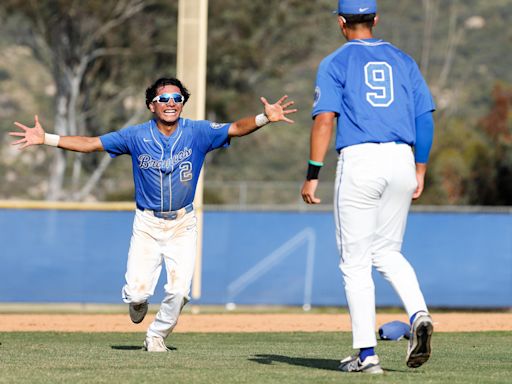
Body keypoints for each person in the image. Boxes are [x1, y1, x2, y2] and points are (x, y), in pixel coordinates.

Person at [10, 77, 297, 352]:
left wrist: (264, 119)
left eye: (177, 98)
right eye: (164, 99)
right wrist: (46, 138)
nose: (171, 103)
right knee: (136, 294)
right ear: (152, 105)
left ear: (182, 103)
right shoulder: (135, 136)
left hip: (183, 223)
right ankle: (137, 303)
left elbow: (234, 128)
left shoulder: (197, 132)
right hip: (147, 223)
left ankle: (156, 335)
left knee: (179, 291)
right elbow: (91, 143)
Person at [301, 0, 434, 374]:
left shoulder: (335, 62)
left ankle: (367, 355)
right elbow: (424, 118)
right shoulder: (404, 60)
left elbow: (325, 119)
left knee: (355, 262)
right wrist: (420, 168)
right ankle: (418, 313)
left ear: (342, 23)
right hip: (401, 158)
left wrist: (313, 172)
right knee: (388, 252)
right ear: (375, 19)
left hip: (361, 160)